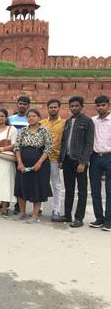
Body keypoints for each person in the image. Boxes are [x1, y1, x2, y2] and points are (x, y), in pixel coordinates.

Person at [58, 96, 94, 228]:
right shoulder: (68, 121)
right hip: (67, 160)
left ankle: (79, 218)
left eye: (76, 106)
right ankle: (67, 215)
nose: (74, 108)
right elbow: (63, 142)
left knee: (82, 190)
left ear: (82, 106)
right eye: (72, 106)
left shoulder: (87, 121)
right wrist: (61, 159)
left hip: (79, 161)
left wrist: (83, 162)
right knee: (69, 189)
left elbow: (89, 143)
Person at [15, 109, 53, 223]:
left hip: (40, 164)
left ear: (39, 117)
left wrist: (39, 163)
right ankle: (22, 212)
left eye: (34, 116)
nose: (31, 118)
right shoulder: (23, 131)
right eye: (29, 116)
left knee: (37, 187)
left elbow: (48, 148)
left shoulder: (44, 130)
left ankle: (35, 214)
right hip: (23, 162)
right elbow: (17, 147)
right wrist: (19, 162)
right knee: (21, 186)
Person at [40, 99, 66, 221]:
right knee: (41, 183)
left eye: (55, 107)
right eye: (51, 107)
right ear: (47, 108)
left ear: (59, 108)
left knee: (56, 185)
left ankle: (56, 210)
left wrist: (62, 159)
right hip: (42, 158)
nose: (53, 109)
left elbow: (65, 142)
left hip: (55, 159)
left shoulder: (64, 123)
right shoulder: (42, 123)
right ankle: (38, 208)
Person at [88, 95, 111, 231]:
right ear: (95, 107)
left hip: (109, 157)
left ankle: (109, 221)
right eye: (98, 105)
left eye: (103, 105)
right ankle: (99, 218)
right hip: (95, 157)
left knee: (110, 190)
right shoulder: (92, 121)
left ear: (108, 105)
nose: (100, 108)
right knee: (95, 190)